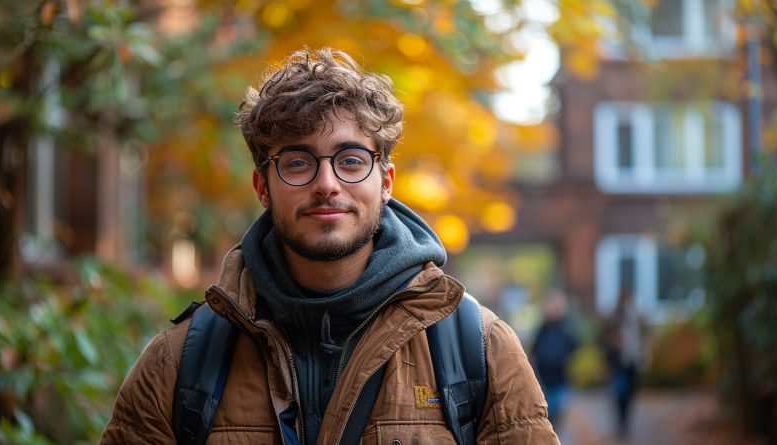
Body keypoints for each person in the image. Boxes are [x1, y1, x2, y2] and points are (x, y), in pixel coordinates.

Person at [100, 47, 559, 444]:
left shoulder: (478, 348)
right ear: (263, 186)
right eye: (298, 162)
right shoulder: (180, 362)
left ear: (386, 183)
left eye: (351, 160)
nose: (326, 184)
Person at [530, 290, 579, 428]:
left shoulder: (567, 328)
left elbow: (576, 349)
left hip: (562, 378)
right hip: (544, 378)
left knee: (559, 410)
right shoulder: (543, 328)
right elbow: (534, 351)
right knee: (548, 411)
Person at [602, 288, 646, 438]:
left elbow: (643, 337)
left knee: (630, 395)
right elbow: (604, 338)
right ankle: (621, 423)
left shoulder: (636, 316)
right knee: (619, 395)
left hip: (632, 362)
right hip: (618, 363)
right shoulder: (614, 317)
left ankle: (625, 423)